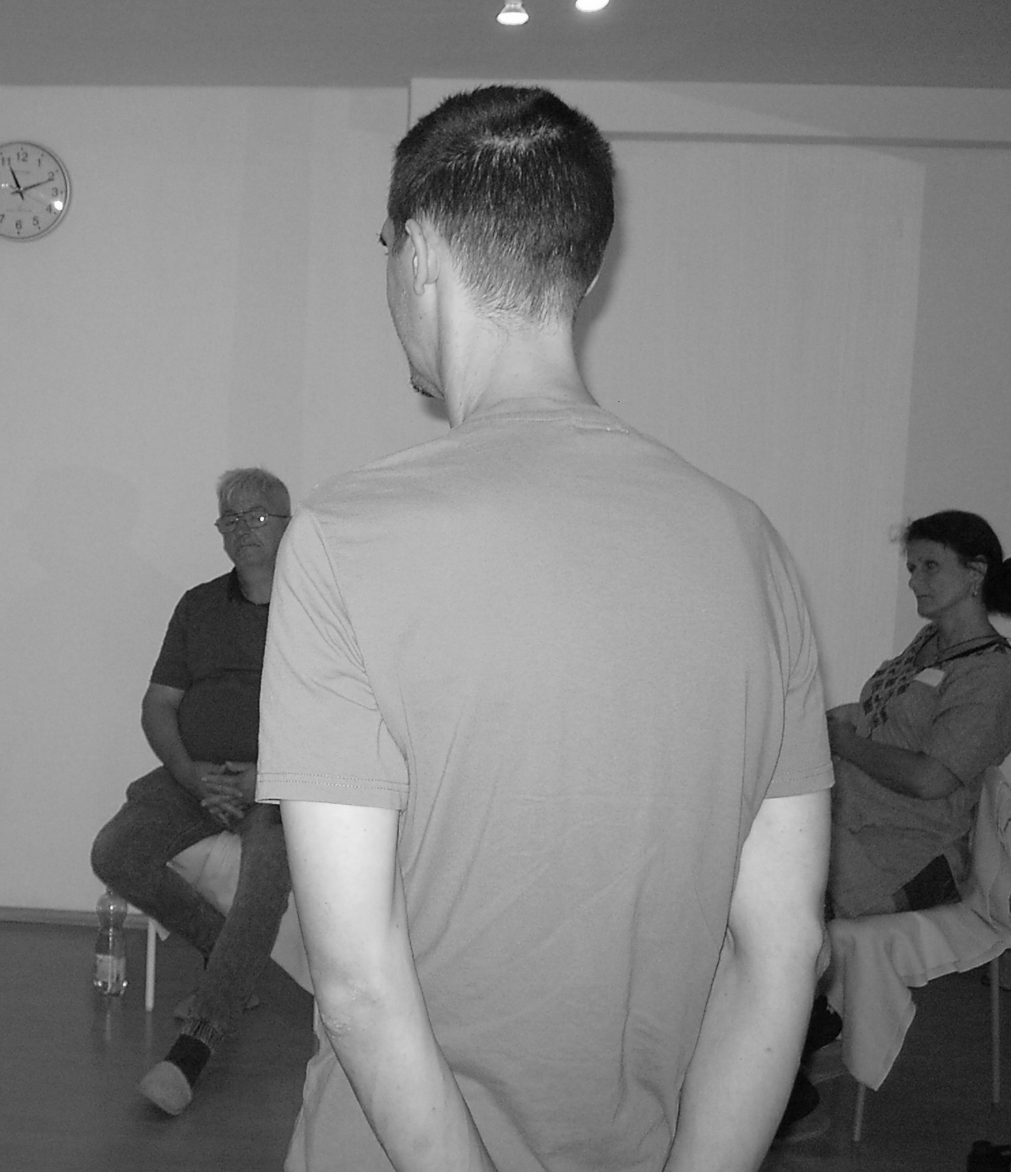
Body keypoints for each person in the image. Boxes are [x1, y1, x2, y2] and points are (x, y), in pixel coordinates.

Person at [256, 85, 833, 1172]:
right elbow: (785, 950)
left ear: (420, 252)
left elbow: (359, 985)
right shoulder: (750, 545)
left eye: (384, 248)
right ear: (588, 269)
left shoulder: (342, 540)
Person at [90, 468, 297, 1116]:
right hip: (196, 773)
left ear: (289, 525)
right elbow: (159, 704)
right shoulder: (198, 605)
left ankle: (199, 1041)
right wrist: (190, 775)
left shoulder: (320, 606)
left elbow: (337, 715)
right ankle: (224, 952)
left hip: (282, 783)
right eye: (230, 519)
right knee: (115, 851)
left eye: (257, 516)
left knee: (267, 871)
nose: (243, 529)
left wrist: (266, 776)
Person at [829, 511, 1011, 918]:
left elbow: (931, 778)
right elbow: (894, 715)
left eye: (930, 566)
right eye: (912, 568)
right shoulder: (929, 639)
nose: (914, 581)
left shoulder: (992, 671)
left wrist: (845, 743)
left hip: (907, 847)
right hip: (851, 816)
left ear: (976, 573)